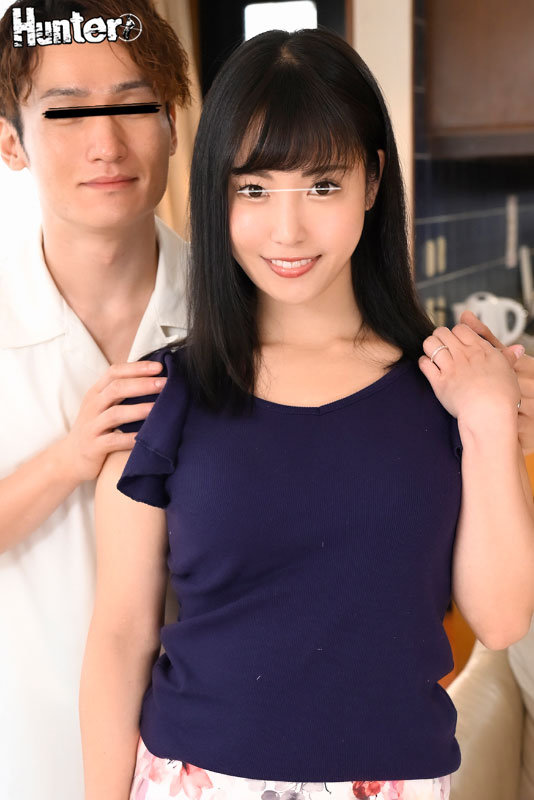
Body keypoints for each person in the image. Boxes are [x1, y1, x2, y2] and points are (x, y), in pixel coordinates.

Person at [80, 27, 534, 800]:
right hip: (195, 780)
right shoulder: (164, 395)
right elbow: (120, 638)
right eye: (253, 189)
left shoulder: (449, 389)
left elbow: (500, 622)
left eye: (322, 185)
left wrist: (490, 424)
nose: (286, 230)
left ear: (372, 180)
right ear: (217, 193)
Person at [0, 1, 191, 798]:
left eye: (134, 105)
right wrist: (69, 461)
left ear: (173, 123)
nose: (106, 144)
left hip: (216, 755)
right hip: (27, 749)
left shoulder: (248, 310)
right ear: (11, 141)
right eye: (67, 112)